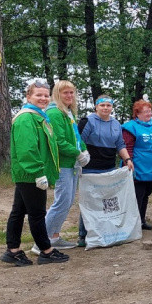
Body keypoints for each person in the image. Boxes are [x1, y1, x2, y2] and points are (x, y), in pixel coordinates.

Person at [0, 79, 70, 266]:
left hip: (28, 174)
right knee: (37, 214)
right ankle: (46, 251)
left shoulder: (38, 117)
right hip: (31, 174)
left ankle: (12, 251)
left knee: (18, 211)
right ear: (28, 96)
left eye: (46, 95)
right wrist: (38, 172)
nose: (43, 98)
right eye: (39, 95)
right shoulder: (26, 118)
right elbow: (27, 150)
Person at [29, 80, 90, 254]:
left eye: (71, 92)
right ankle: (41, 242)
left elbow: (76, 136)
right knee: (61, 202)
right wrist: (77, 154)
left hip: (71, 164)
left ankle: (54, 237)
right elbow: (59, 141)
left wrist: (84, 150)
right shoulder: (55, 112)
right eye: (65, 93)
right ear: (57, 94)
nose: (69, 95)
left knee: (67, 201)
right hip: (62, 164)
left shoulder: (68, 112)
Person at [76, 95, 134, 246]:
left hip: (109, 168)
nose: (105, 108)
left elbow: (120, 144)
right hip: (89, 169)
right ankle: (83, 235)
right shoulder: (88, 121)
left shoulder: (116, 124)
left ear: (112, 107)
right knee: (89, 202)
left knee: (107, 202)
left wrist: (127, 159)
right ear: (96, 107)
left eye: (108, 105)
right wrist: (80, 160)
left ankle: (106, 231)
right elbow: (79, 142)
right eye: (102, 105)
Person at [122, 99, 152, 230]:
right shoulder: (130, 127)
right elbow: (127, 147)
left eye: (150, 111)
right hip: (138, 167)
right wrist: (128, 161)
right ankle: (132, 223)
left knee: (146, 194)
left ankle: (141, 220)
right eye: (145, 112)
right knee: (137, 195)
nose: (149, 114)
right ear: (137, 114)